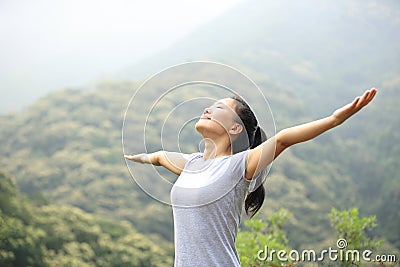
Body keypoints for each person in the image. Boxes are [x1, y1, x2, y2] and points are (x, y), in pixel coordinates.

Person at [124, 88, 377, 267]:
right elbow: (159, 156)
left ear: (235, 128)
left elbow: (283, 139)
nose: (208, 109)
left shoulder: (238, 166)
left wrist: (334, 120)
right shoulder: (191, 165)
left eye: (219, 108)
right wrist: (142, 157)